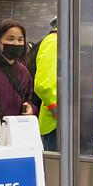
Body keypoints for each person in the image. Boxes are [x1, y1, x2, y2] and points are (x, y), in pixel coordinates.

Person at [0, 19, 36, 118]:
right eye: (10, 39)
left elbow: (30, 98)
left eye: (20, 39)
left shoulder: (23, 71)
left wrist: (31, 107)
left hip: (16, 127)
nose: (16, 43)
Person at [34, 19, 58, 150]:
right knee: (56, 169)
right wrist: (57, 110)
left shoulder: (74, 44)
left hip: (74, 122)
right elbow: (43, 84)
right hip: (57, 125)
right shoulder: (54, 41)